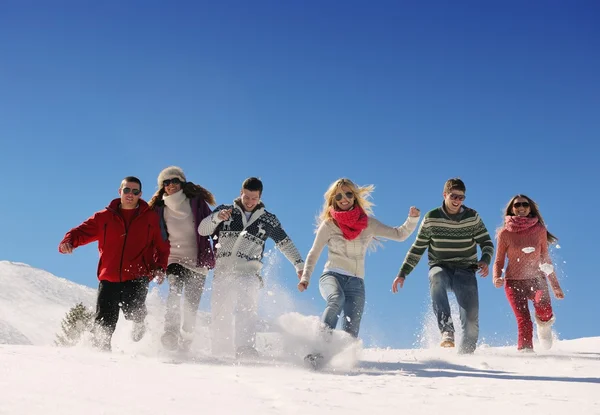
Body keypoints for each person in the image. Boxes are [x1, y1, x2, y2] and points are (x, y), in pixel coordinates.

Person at [298, 178, 420, 342]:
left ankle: (341, 361)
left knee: (351, 332)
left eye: (348, 194)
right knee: (336, 299)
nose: (344, 199)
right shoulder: (329, 225)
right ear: (334, 200)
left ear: (354, 196)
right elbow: (314, 253)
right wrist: (305, 277)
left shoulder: (368, 224)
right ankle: (319, 346)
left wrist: (412, 219)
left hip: (356, 282)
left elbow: (399, 235)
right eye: (339, 196)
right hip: (332, 276)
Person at [58, 176, 170, 351]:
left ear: (140, 194)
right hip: (109, 276)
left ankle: (140, 329)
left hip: (137, 275)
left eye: (135, 191)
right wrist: (69, 242)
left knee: (134, 311)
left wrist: (160, 267)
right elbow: (81, 231)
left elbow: (163, 246)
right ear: (120, 192)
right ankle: (101, 354)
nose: (130, 194)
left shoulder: (151, 219)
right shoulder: (104, 217)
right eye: (126, 190)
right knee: (104, 320)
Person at [198, 177, 304, 358]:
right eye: (246, 197)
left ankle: (245, 348)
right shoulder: (226, 211)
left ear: (260, 197)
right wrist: (216, 218)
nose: (249, 202)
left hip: (249, 273)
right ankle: (220, 350)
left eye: (254, 198)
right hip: (224, 272)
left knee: (247, 310)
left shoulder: (268, 219)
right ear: (241, 193)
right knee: (220, 313)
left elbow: (284, 243)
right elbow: (202, 229)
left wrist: (299, 265)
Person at [392, 178, 494, 354]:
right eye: (454, 196)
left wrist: (485, 259)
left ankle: (466, 357)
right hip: (441, 266)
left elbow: (487, 243)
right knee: (436, 277)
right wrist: (403, 273)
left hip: (466, 270)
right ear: (445, 194)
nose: (457, 201)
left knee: (471, 322)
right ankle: (447, 330)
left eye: (461, 197)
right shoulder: (432, 218)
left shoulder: (472, 217)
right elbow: (418, 248)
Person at [148, 166, 216, 351]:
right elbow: (152, 237)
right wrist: (155, 264)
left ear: (182, 183)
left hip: (197, 261)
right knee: (175, 290)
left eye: (174, 181)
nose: (171, 185)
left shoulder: (196, 202)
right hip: (174, 258)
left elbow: (212, 225)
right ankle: (170, 332)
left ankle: (186, 340)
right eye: (166, 183)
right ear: (163, 186)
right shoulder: (158, 208)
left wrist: (219, 248)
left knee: (191, 305)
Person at [493, 194, 565, 351]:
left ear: (530, 207)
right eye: (517, 205)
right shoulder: (504, 233)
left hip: (536, 279)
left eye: (524, 205)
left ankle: (544, 326)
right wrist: (497, 277)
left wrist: (555, 286)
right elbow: (499, 261)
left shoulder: (539, 230)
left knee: (544, 307)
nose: (521, 208)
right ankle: (526, 353)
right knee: (523, 319)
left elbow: (545, 260)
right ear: (512, 209)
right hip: (513, 282)